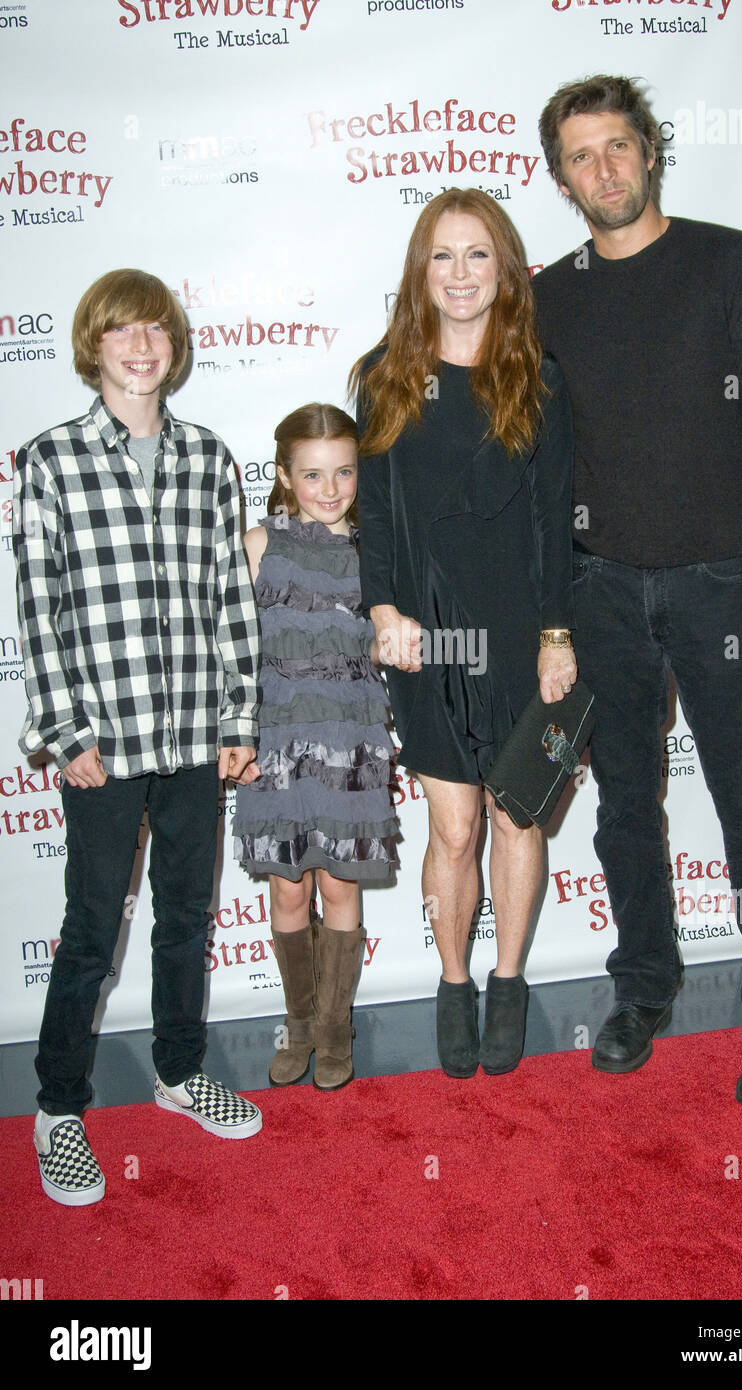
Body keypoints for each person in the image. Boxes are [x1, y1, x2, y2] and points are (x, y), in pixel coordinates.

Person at [532, 76, 742, 1109]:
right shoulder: (545, 294)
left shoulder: (726, 260)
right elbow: (526, 454)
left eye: (618, 145)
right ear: (558, 175)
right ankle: (642, 986)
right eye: (581, 154)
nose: (604, 168)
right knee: (623, 806)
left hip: (721, 582)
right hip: (599, 587)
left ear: (649, 150)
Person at [14, 268, 263, 1207]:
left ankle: (178, 1069)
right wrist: (67, 731)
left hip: (197, 732)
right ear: (95, 345)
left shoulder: (209, 458)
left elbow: (230, 602)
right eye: (122, 328)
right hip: (103, 743)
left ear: (174, 344)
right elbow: (40, 612)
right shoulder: (50, 461)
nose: (142, 343)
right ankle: (58, 1106)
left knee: (187, 918)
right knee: (89, 931)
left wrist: (239, 719)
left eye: (156, 326)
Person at [351, 188, 576, 1080]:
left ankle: (509, 981)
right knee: (453, 831)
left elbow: (557, 518)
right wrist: (381, 611)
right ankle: (453, 982)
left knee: (515, 818)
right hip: (427, 637)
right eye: (442, 257)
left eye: (477, 254)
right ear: (420, 272)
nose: (459, 274)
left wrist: (558, 632)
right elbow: (372, 508)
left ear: (505, 268)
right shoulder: (385, 376)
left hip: (520, 629)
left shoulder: (540, 377)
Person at [232, 404, 399, 1091]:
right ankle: (298, 1028)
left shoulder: (375, 550)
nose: (329, 489)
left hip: (352, 740)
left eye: (343, 473)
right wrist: (232, 735)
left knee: (340, 885)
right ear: (283, 475)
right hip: (276, 740)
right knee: (289, 891)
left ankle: (335, 1032)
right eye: (312, 475)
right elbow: (232, 654)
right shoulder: (257, 546)